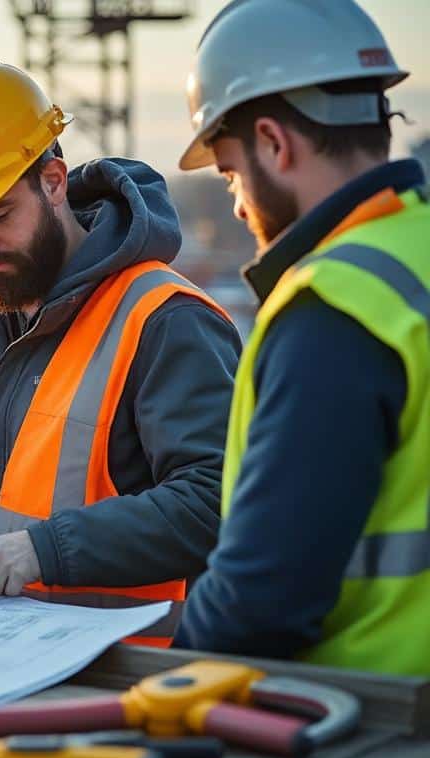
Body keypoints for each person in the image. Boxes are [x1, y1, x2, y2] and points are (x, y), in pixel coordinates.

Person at [0, 58, 240, 645]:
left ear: (54, 181)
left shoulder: (163, 319)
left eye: (0, 214)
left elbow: (217, 502)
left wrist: (46, 550)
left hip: (124, 683)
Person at [172, 0, 428, 676]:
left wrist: (168, 686)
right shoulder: (415, 258)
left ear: (274, 143)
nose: (234, 201)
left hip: (373, 712)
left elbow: (259, 602)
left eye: (229, 173)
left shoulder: (335, 307)